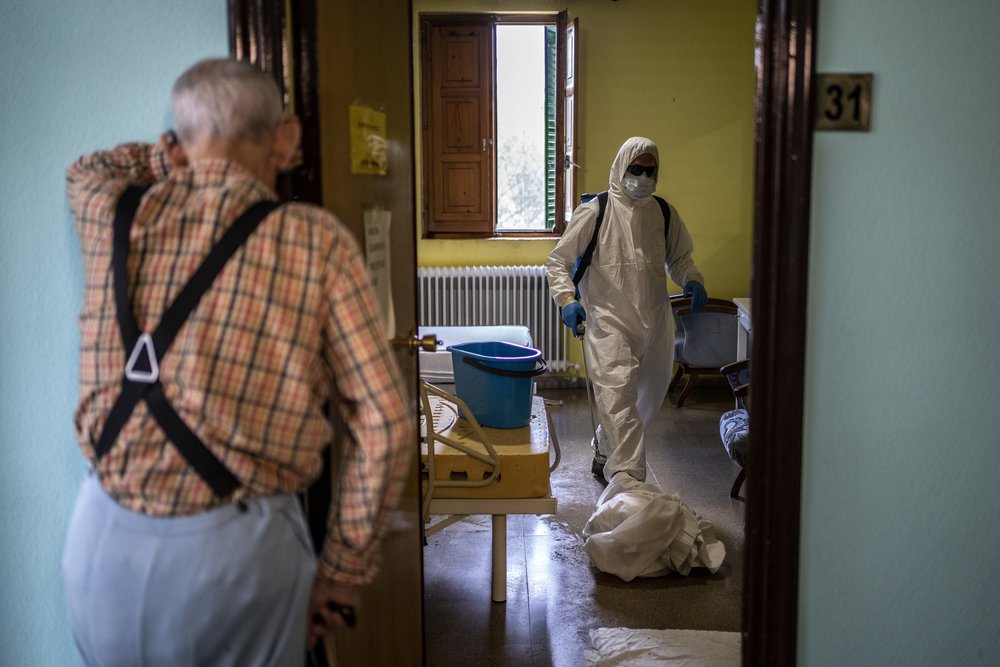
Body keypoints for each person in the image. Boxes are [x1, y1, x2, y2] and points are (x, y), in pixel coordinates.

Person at [61, 58, 413, 665]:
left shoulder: (112, 212)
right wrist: (342, 571)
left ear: (178, 137)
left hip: (99, 538)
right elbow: (382, 423)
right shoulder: (313, 239)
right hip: (233, 554)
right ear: (288, 139)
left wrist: (167, 155)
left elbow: (86, 168)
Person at [546, 136, 707, 483]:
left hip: (654, 323)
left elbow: (679, 258)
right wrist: (567, 300)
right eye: (636, 170)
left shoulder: (663, 213)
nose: (644, 178)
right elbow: (558, 261)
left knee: (643, 400)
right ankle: (628, 484)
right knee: (617, 398)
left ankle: (606, 451)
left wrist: (691, 279)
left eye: (651, 171)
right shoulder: (596, 211)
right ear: (621, 167)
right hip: (609, 323)